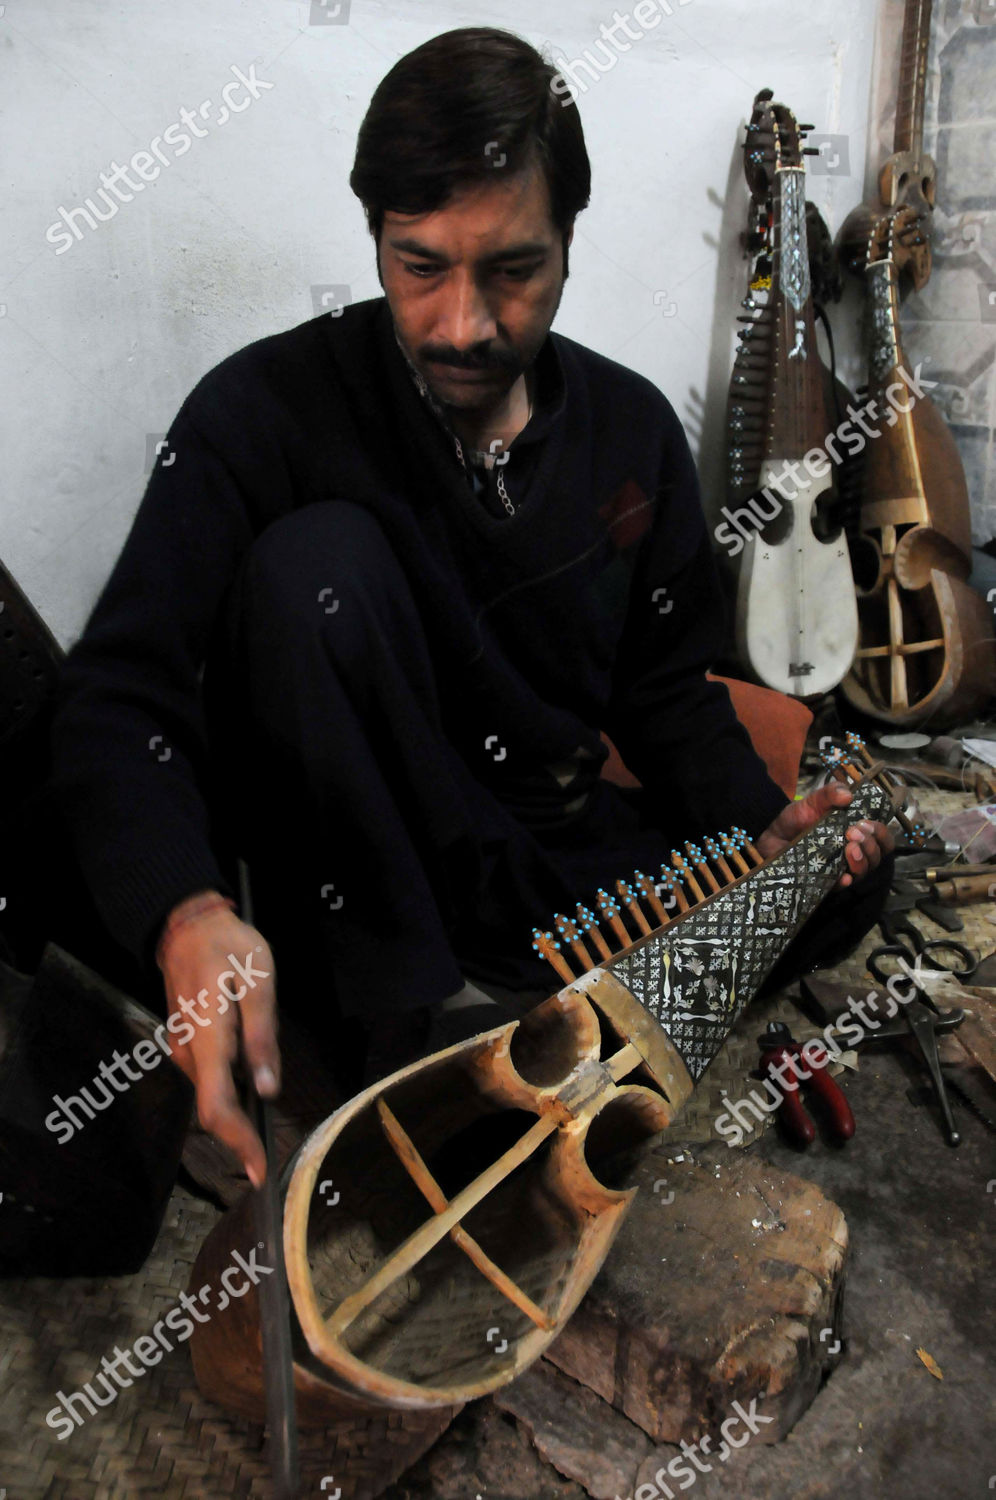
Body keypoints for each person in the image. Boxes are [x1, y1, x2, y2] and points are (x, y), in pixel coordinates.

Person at [47, 27, 892, 1189]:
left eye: (512, 270)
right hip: (353, 878)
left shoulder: (629, 430)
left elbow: (663, 695)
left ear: (568, 243)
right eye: (418, 264)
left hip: (527, 855)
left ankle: (517, 1006)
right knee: (318, 567)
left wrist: (762, 831)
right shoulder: (261, 413)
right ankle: (415, 1046)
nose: (460, 323)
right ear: (374, 237)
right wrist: (184, 909)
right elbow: (115, 696)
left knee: (847, 878)